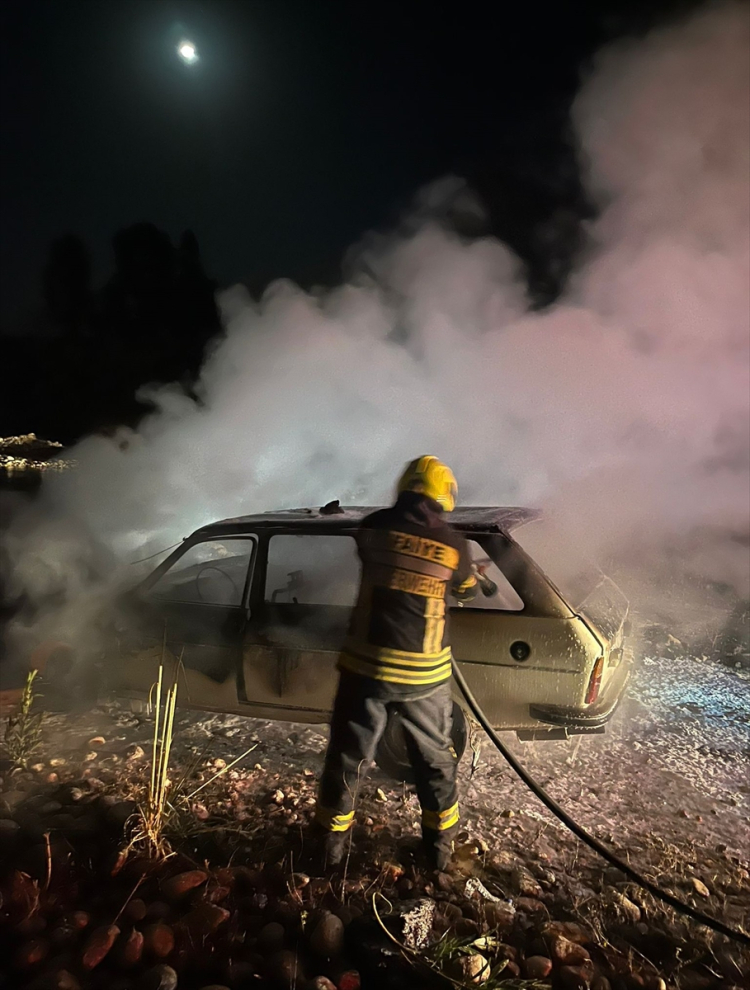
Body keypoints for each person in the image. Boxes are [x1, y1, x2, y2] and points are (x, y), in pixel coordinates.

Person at [314, 455, 488, 871]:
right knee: (435, 765)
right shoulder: (454, 544)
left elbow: (377, 550)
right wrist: (470, 576)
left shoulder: (373, 529)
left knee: (346, 761)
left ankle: (327, 858)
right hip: (424, 680)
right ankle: (438, 857)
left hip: (365, 671)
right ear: (444, 495)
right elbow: (464, 589)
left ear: (405, 487)